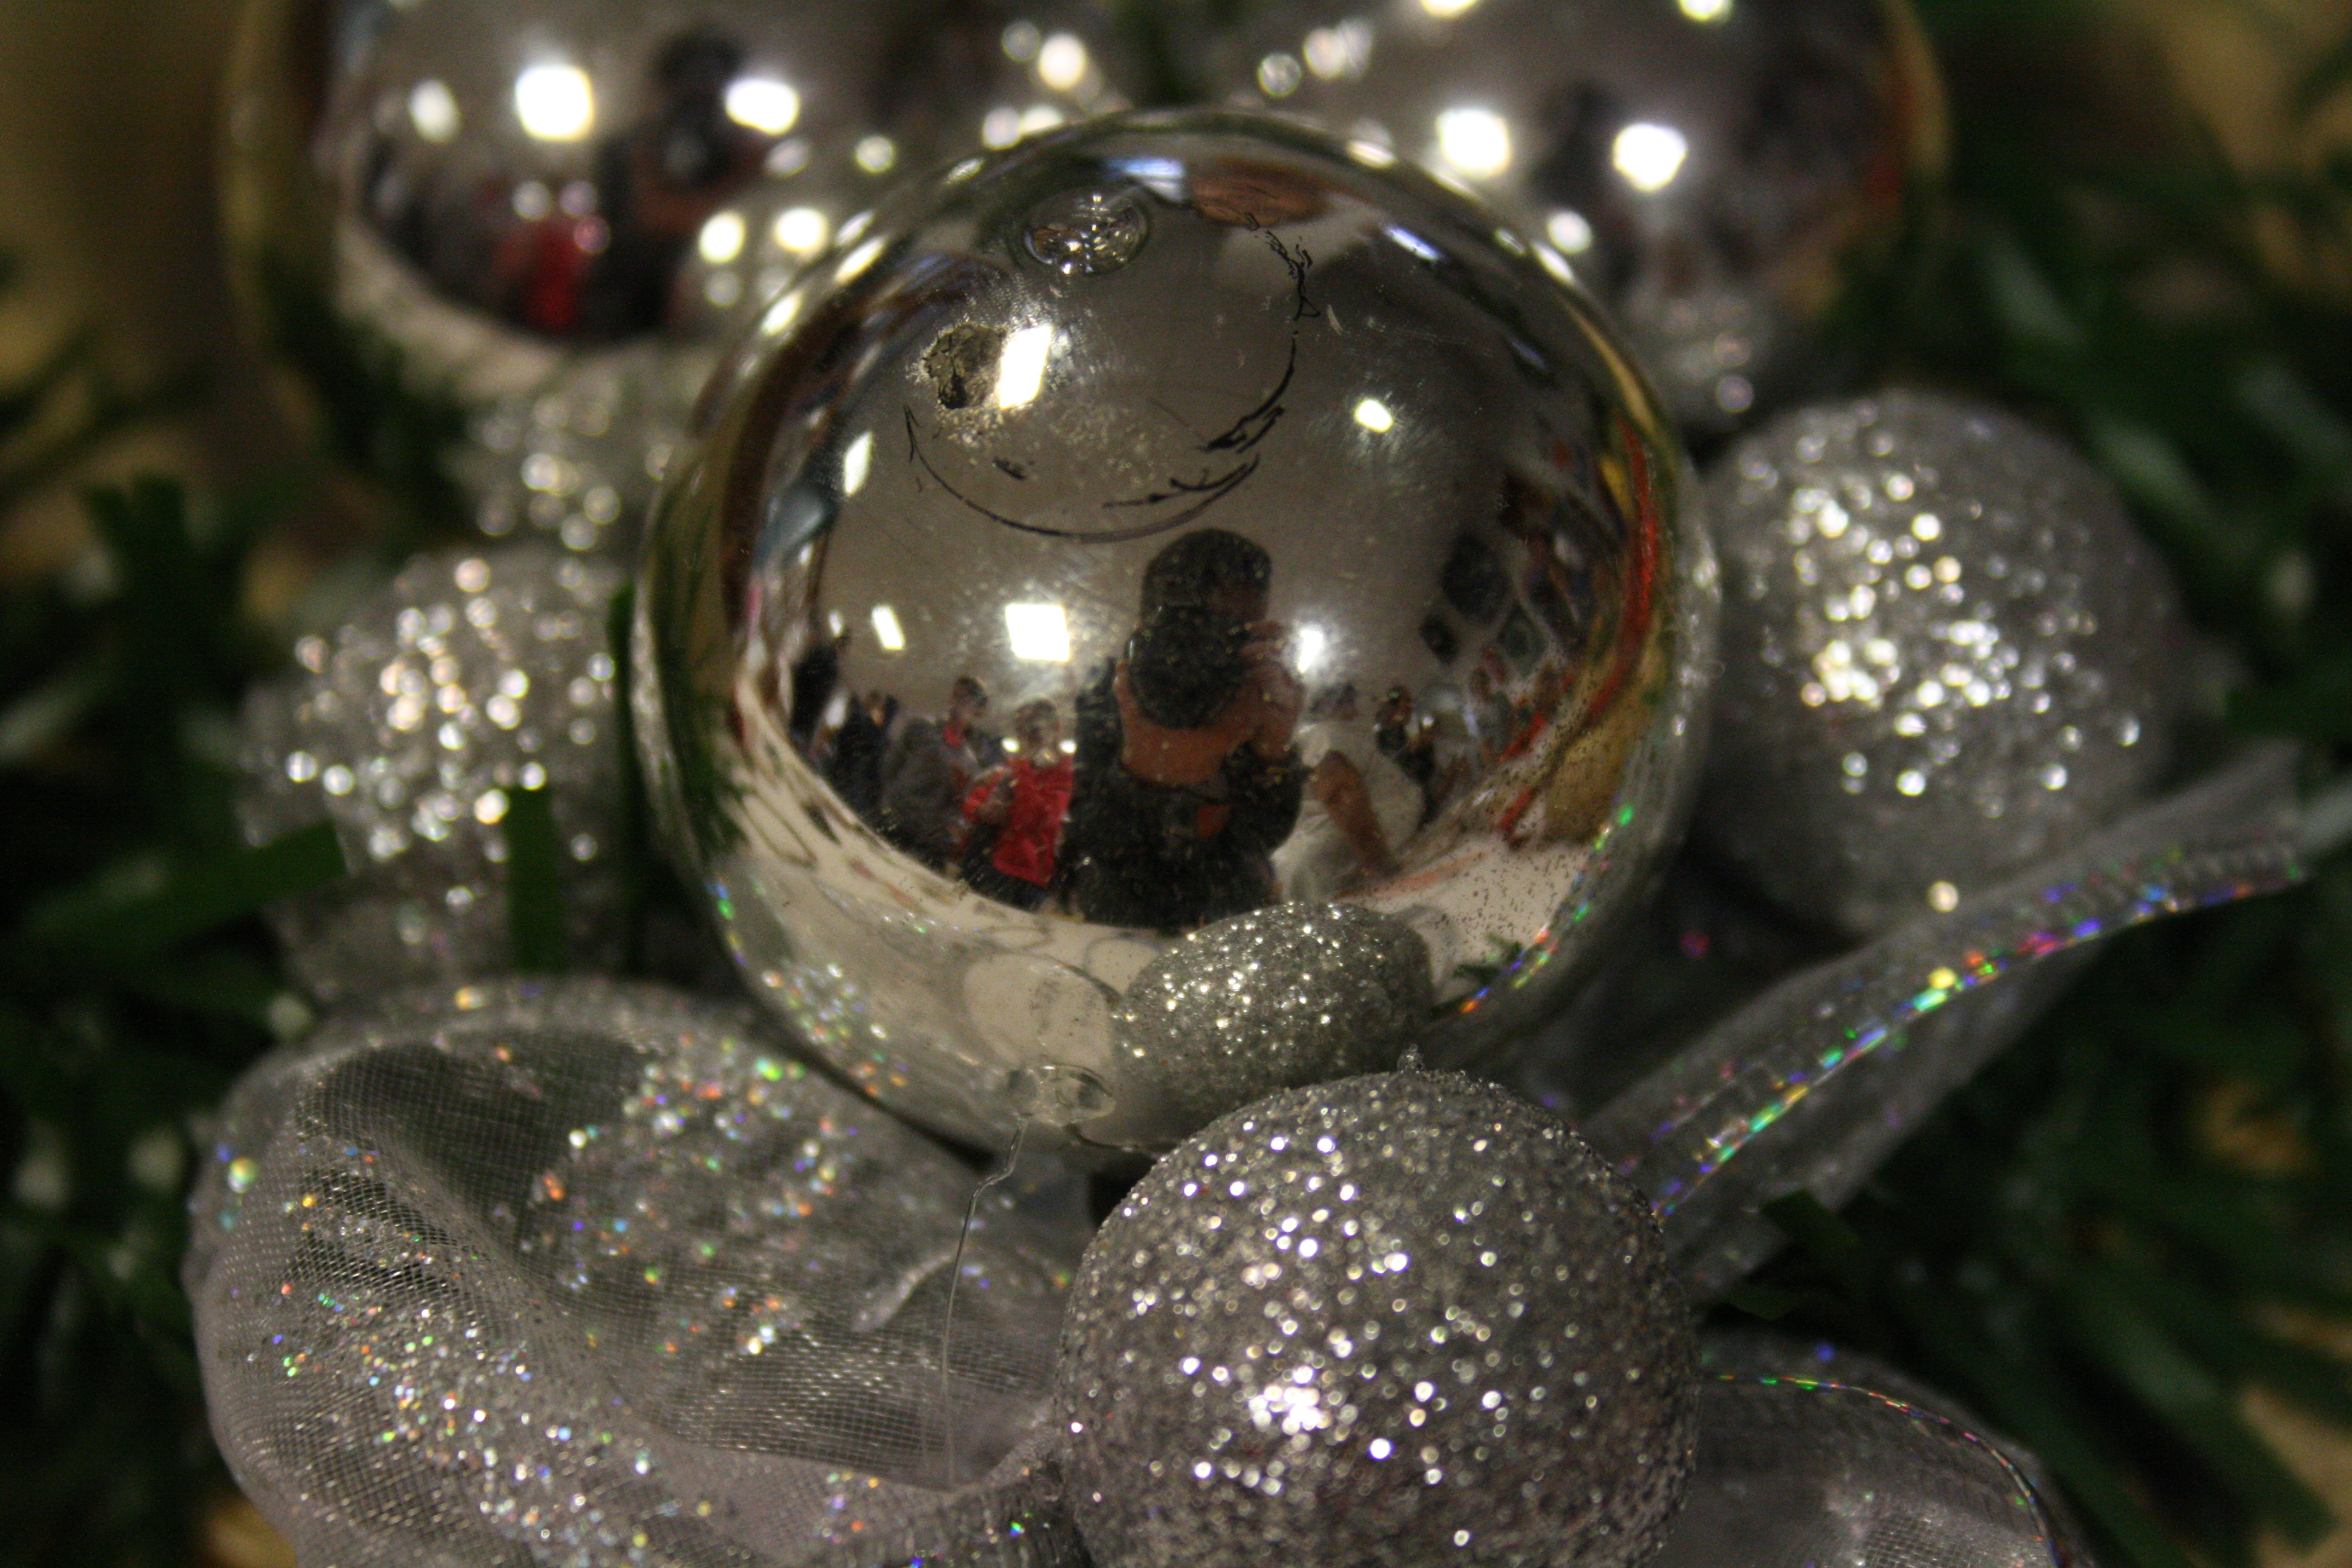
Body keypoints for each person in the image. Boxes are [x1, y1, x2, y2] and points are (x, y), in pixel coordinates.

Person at [1062, 529, 1305, 930]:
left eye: (1236, 634)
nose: (1207, 652)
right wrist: (1142, 776)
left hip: (1231, 917)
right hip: (1122, 920)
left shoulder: (1253, 691)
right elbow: (1089, 838)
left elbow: (1266, 836)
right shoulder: (1114, 690)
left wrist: (1272, 752)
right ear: (1145, 626)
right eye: (1192, 627)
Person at [1273, 683, 1422, 901]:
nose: (1356, 712)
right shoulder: (1325, 736)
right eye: (1350, 704)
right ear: (1332, 705)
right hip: (1337, 875)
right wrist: (1383, 869)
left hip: (1339, 870)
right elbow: (1342, 797)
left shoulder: (1326, 737)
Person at [959, 699, 1075, 911]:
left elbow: (1036, 820)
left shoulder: (1062, 775)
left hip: (1021, 877)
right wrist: (982, 811)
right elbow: (973, 800)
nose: (1027, 736)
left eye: (1034, 728)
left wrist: (1022, 766)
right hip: (983, 858)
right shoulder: (1012, 769)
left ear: (1056, 729)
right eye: (1021, 729)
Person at [877, 675, 988, 871]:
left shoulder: (969, 763)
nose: (959, 702)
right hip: (894, 821)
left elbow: (956, 808)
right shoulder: (921, 728)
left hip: (926, 841)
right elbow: (889, 767)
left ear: (978, 711)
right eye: (957, 695)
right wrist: (890, 805)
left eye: (968, 699)